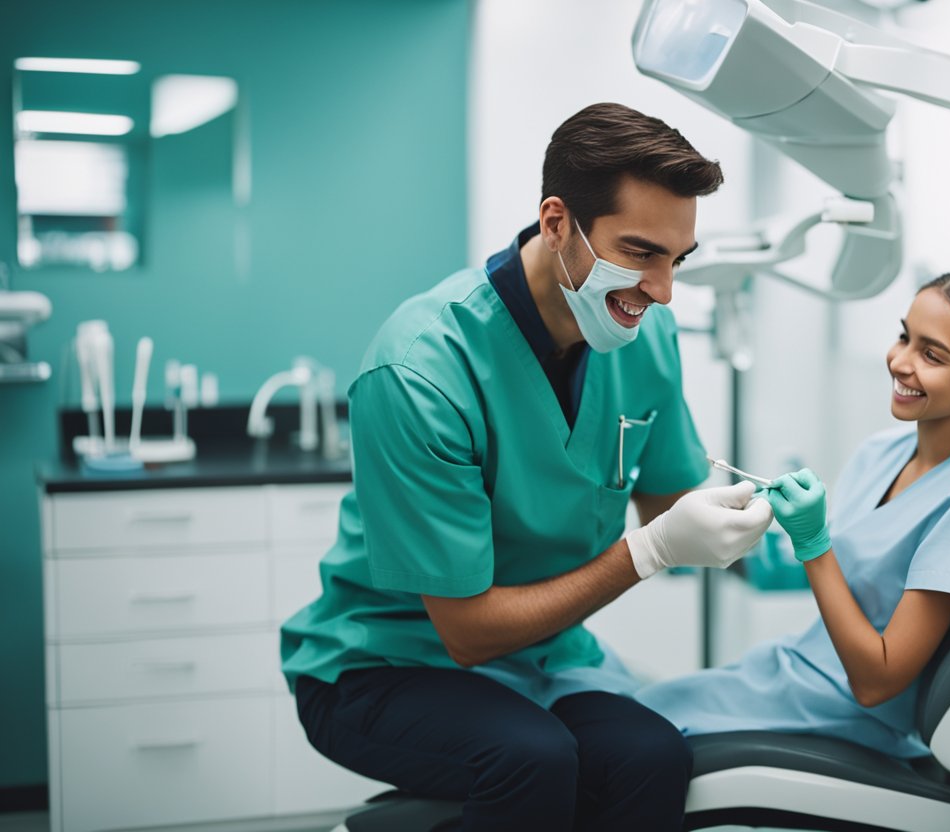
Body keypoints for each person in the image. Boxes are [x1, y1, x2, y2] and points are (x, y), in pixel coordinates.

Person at [279, 102, 773, 831]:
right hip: (387, 663)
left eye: (677, 260)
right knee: (533, 760)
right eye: (640, 253)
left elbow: (671, 506)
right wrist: (652, 551)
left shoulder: (644, 337)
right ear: (556, 223)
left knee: (653, 757)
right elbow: (468, 632)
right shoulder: (420, 369)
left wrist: (765, 531)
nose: (663, 290)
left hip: (547, 657)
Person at [637, 270, 950, 759]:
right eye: (904, 336)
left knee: (626, 742)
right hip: (789, 671)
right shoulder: (883, 451)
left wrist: (813, 542)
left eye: (931, 355)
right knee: (624, 714)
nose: (900, 362)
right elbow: (839, 565)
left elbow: (876, 682)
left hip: (846, 714)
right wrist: (733, 534)